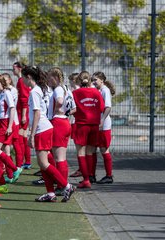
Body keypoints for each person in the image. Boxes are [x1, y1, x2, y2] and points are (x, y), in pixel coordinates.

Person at [22, 65, 75, 202]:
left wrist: (31, 134)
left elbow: (37, 112)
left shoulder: (35, 91)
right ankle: (50, 193)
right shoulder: (43, 89)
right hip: (47, 126)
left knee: (44, 163)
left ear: (28, 77)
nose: (21, 80)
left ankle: (66, 186)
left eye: (23, 77)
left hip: (42, 128)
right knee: (43, 163)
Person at [72, 71, 104, 188]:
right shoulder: (96, 92)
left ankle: (86, 179)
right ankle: (91, 175)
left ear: (79, 81)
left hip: (81, 125)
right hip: (94, 125)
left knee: (81, 152)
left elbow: (72, 108)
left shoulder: (75, 93)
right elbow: (101, 108)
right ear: (90, 81)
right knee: (91, 151)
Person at [47, 67, 76, 195]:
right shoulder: (67, 89)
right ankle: (62, 183)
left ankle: (62, 185)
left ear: (56, 78)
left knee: (59, 158)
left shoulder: (59, 89)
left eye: (50, 77)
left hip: (58, 122)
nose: (48, 80)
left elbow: (59, 101)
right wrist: (66, 111)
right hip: (65, 122)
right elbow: (74, 108)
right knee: (61, 157)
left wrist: (56, 111)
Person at [0, 74, 23, 183]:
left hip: (6, 123)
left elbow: (12, 109)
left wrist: (10, 126)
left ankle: (15, 169)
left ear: (2, 84)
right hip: (0, 122)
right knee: (5, 150)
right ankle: (10, 176)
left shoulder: (7, 93)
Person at [92, 71, 115, 184]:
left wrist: (102, 120)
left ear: (101, 80)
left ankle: (109, 176)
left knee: (104, 149)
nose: (94, 82)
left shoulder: (105, 90)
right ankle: (92, 175)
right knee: (94, 149)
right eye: (93, 80)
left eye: (95, 79)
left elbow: (108, 107)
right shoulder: (98, 90)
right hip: (97, 124)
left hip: (104, 125)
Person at [13, 62, 32, 169]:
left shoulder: (21, 81)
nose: (13, 70)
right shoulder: (20, 81)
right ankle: (27, 162)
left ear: (19, 69)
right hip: (22, 112)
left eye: (14, 68)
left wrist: (24, 115)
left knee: (20, 139)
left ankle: (19, 164)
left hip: (22, 113)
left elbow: (24, 99)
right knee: (23, 137)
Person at [2, 73, 23, 168]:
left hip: (13, 120)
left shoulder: (12, 90)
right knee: (6, 145)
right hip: (6, 120)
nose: (4, 82)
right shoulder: (3, 91)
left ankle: (18, 166)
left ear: (10, 80)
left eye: (5, 80)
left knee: (14, 144)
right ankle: (9, 166)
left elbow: (12, 106)